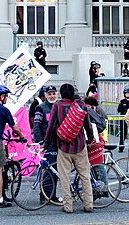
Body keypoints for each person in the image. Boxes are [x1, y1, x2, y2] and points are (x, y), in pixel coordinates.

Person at [44, 83, 95, 214]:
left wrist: (46, 142)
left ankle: (68, 205)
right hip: (79, 145)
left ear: (61, 93)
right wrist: (90, 138)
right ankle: (88, 203)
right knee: (85, 175)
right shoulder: (81, 106)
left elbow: (51, 126)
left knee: (64, 177)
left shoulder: (57, 106)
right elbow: (88, 125)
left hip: (63, 146)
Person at [116, 87, 129, 153]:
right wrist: (125, 110)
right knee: (123, 133)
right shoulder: (122, 101)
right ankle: (121, 147)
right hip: (123, 119)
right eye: (126, 93)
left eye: (128, 93)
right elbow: (119, 110)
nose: (127, 95)